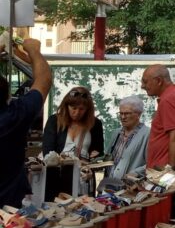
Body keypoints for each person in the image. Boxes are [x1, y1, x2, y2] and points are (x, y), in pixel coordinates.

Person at [0, 38, 52, 208]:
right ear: (7, 96)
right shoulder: (13, 117)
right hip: (8, 213)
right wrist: (34, 51)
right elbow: (44, 80)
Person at [42, 87, 104, 159]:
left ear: (87, 109)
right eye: (74, 108)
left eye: (81, 109)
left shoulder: (95, 124)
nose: (77, 112)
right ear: (66, 106)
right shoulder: (54, 121)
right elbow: (47, 152)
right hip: (58, 168)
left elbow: (99, 153)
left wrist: (96, 156)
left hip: (84, 168)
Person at [107, 96, 150, 181]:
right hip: (109, 186)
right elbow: (109, 159)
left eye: (127, 113)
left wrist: (136, 173)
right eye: (121, 113)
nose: (123, 117)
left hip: (130, 189)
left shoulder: (147, 134)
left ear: (138, 114)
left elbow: (151, 164)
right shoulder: (116, 133)